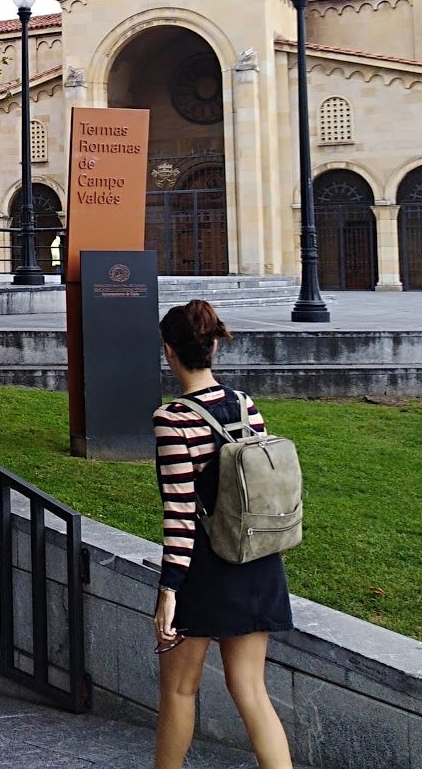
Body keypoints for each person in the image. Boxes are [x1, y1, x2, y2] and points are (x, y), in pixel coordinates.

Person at [152, 300, 293, 769]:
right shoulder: (245, 404)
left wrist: (168, 590)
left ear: (169, 352)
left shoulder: (172, 420)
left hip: (205, 568)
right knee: (252, 691)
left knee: (178, 690)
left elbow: (180, 513)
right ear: (212, 346)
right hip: (258, 559)